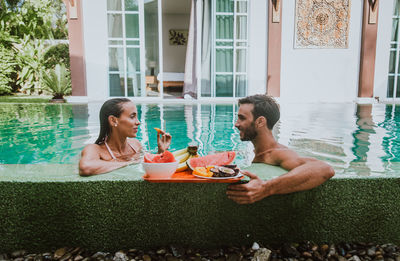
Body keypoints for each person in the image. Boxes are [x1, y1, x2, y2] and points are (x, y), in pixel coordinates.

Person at [226, 95, 335, 204]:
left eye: (242, 118)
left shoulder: (277, 153)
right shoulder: (260, 151)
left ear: (260, 122)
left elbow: (325, 169)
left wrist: (265, 188)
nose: (236, 124)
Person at [79, 98, 171, 176]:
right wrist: (130, 163)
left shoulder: (136, 145)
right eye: (132, 117)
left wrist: (161, 151)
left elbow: (151, 163)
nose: (138, 122)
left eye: (137, 117)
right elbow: (86, 167)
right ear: (113, 120)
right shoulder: (95, 149)